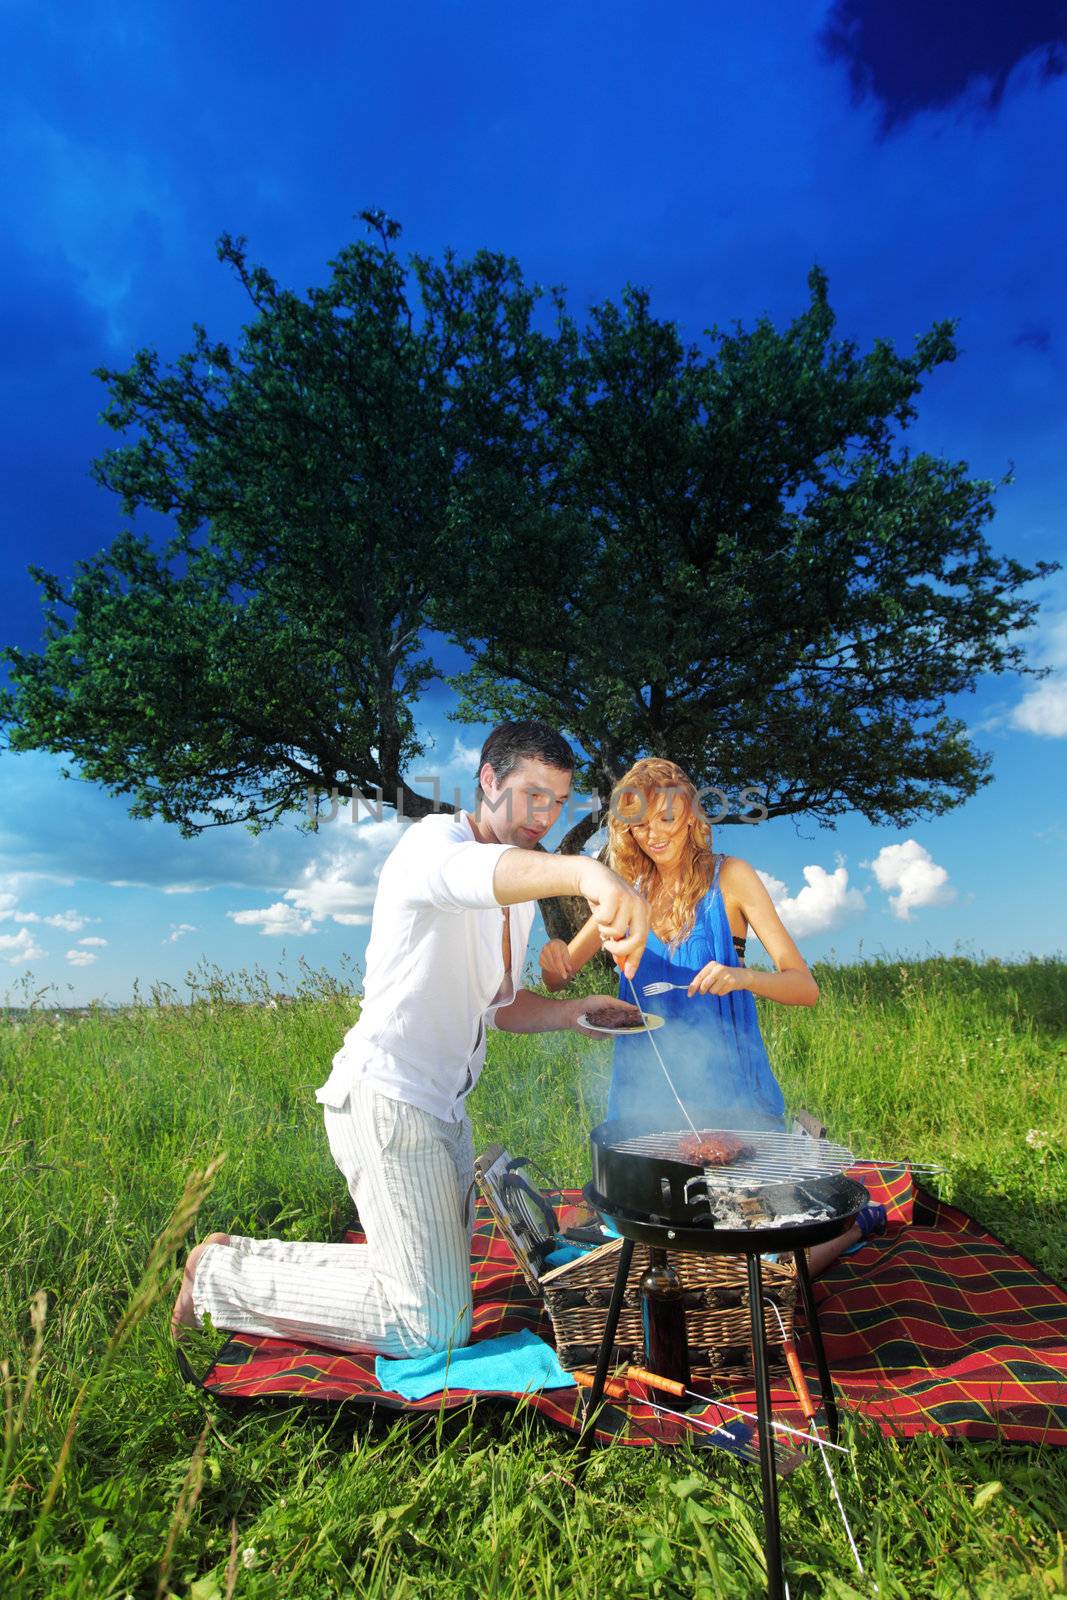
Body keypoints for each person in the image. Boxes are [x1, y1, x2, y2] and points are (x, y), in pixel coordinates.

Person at [172, 721, 650, 1355]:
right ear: (489, 781)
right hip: (389, 1103)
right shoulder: (434, 846)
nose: (547, 813)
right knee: (430, 1328)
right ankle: (216, 1277)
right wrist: (593, 878)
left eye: (560, 801)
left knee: (433, 1290)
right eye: (534, 794)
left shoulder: (519, 896)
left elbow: (500, 1006)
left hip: (446, 1112)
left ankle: (242, 1259)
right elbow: (474, 873)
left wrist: (573, 1011)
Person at [540, 756, 885, 1271]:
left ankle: (859, 1222)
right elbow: (560, 974)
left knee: (761, 1245)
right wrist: (552, 958)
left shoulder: (733, 878)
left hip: (732, 1089)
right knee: (638, 1231)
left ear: (691, 816)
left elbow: (803, 986)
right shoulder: (625, 894)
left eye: (666, 819)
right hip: (645, 1089)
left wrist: (743, 976)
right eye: (640, 824)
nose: (653, 836)